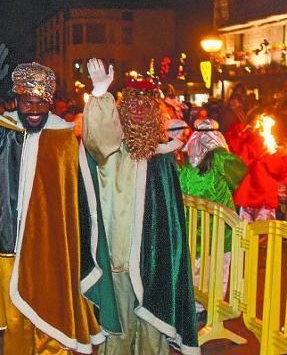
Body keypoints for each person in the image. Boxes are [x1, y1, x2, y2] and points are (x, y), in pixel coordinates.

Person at [0, 44, 111, 355]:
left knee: (51, 322)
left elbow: (97, 158)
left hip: (50, 250)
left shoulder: (64, 140)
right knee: (17, 322)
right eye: (26, 102)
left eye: (40, 103)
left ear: (49, 103)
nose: (33, 109)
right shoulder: (4, 133)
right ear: (17, 101)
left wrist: (100, 97)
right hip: (9, 243)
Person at [83, 58, 199, 355]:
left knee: (153, 332)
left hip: (155, 261)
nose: (138, 110)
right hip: (119, 258)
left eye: (146, 105)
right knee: (119, 332)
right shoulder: (112, 150)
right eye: (132, 104)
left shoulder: (163, 159)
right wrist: (98, 96)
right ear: (121, 110)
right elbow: (97, 139)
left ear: (155, 113)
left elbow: (171, 218)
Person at [178, 119, 247, 313]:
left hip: (194, 223)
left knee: (196, 267)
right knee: (220, 268)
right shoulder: (220, 157)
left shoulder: (185, 158)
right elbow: (238, 174)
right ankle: (212, 308)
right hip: (220, 224)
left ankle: (194, 306)